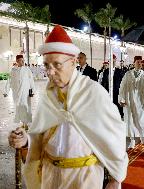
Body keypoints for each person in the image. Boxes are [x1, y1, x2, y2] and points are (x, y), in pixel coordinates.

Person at [8, 25, 128, 189]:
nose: (50, 72)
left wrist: (115, 178)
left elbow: (115, 136)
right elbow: (41, 134)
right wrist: (26, 140)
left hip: (83, 178)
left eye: (57, 65)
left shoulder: (93, 93)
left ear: (73, 62)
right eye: (46, 65)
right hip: (49, 176)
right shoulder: (49, 94)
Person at [119, 56, 144, 149]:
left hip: (141, 100)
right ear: (134, 63)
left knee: (141, 119)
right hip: (130, 100)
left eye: (140, 62)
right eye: (137, 62)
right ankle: (132, 140)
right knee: (130, 120)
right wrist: (121, 99)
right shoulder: (128, 74)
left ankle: (142, 136)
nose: (139, 64)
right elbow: (122, 87)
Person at [3, 54, 35, 127]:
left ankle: (26, 123)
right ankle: (23, 122)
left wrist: (32, 90)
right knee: (19, 107)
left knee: (25, 106)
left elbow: (31, 80)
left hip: (25, 91)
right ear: (17, 61)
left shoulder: (27, 69)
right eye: (21, 60)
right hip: (16, 92)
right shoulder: (13, 70)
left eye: (23, 60)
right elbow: (9, 81)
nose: (23, 61)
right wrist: (6, 91)